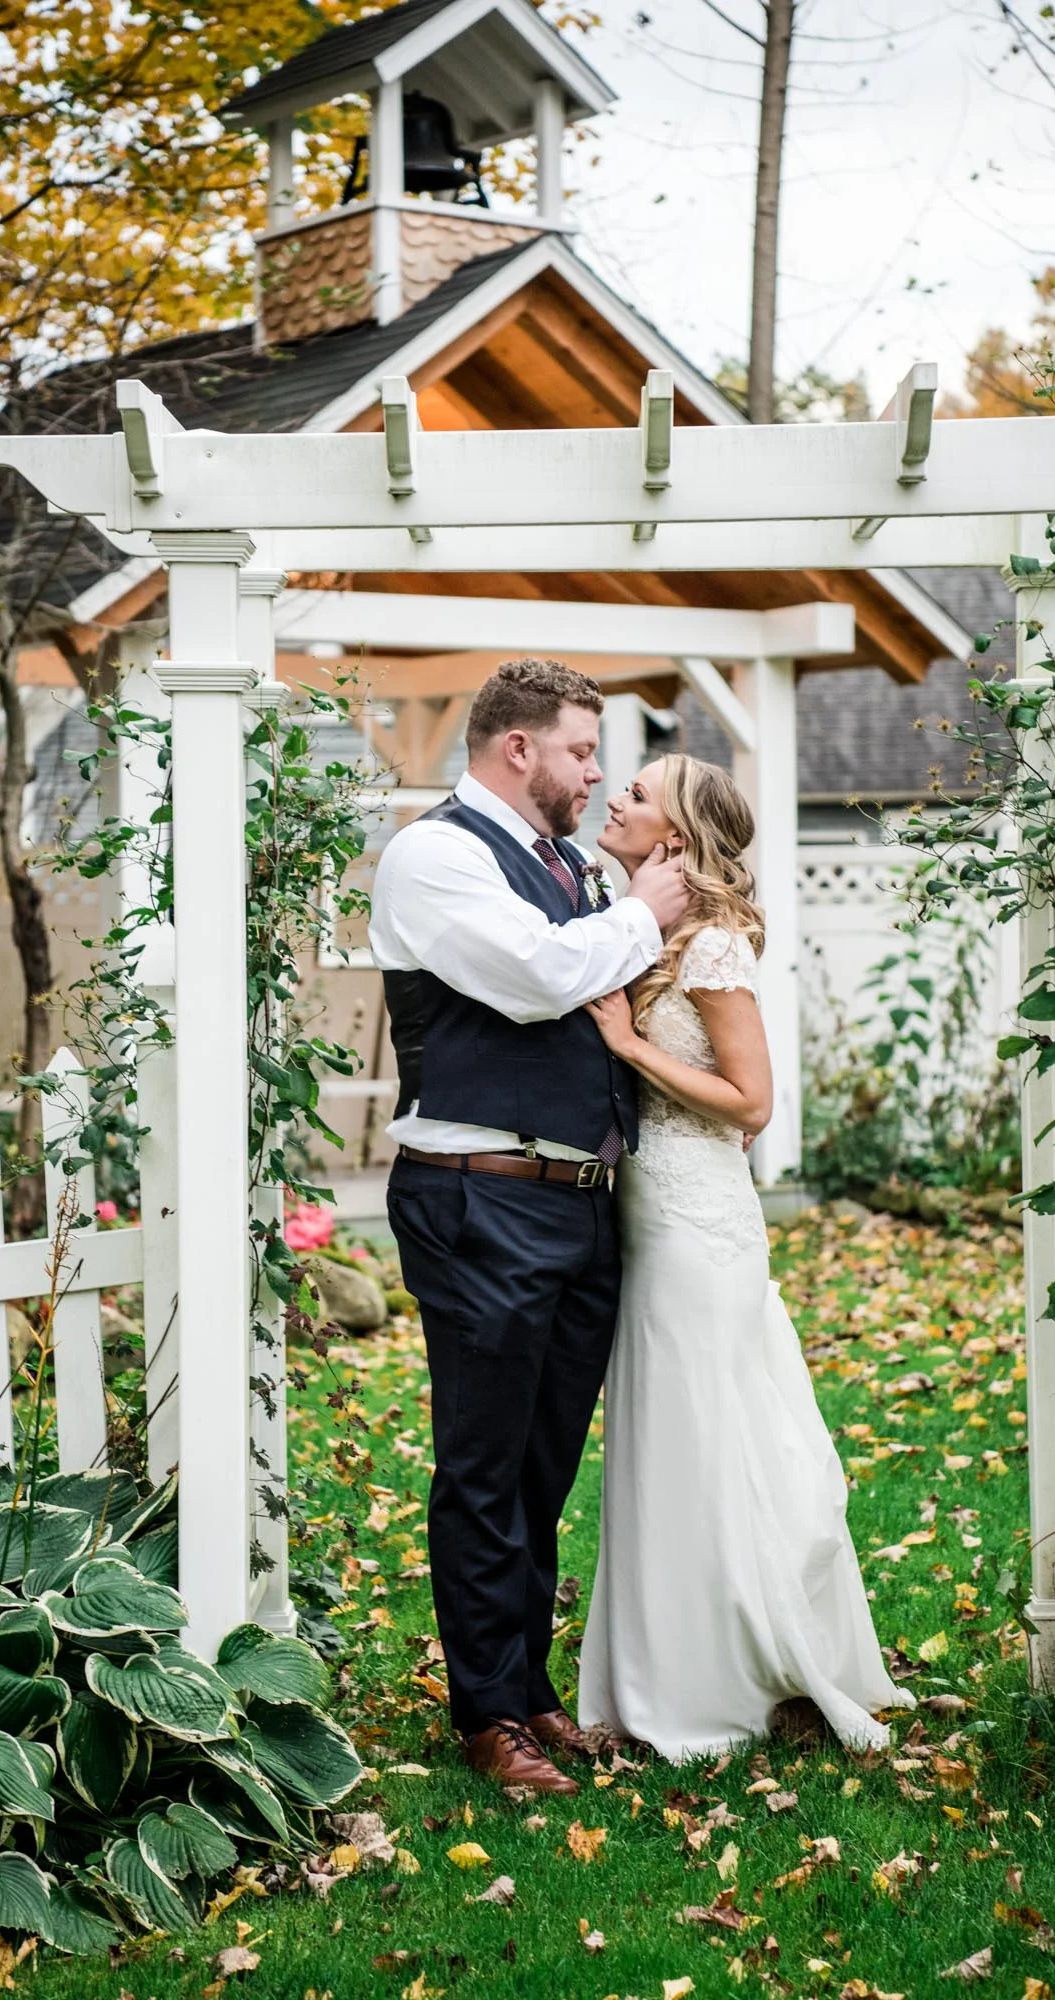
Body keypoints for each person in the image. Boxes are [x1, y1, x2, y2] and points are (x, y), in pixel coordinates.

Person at [370, 658, 689, 1795]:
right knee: (483, 1462)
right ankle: (486, 1714)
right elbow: (539, 978)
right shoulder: (434, 856)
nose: (595, 774)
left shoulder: (570, 864)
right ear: (518, 749)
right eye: (580, 751)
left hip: (577, 1201)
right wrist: (645, 915)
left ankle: (530, 1687)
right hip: (480, 1199)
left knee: (543, 1464)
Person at [576, 752, 915, 1758]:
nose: (615, 796)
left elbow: (751, 1103)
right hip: (650, 1213)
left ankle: (720, 1675)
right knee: (664, 1434)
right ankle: (671, 1664)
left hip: (698, 1221)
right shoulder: (645, 928)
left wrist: (630, 1046)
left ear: (675, 836)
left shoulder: (714, 942)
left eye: (637, 793)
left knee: (705, 1430)